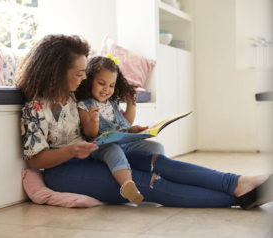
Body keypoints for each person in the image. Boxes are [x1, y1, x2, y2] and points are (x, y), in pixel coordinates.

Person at [16, 34, 273, 209]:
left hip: (96, 154)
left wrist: (128, 132)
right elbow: (36, 159)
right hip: (65, 172)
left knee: (160, 163)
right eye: (79, 73)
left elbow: (102, 117)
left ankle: (238, 183)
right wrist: (72, 150)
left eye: (85, 73)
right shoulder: (35, 109)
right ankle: (237, 198)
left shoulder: (76, 98)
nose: (84, 78)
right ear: (57, 72)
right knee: (148, 184)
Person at [75, 55, 164, 205]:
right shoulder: (85, 105)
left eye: (111, 85)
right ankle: (128, 185)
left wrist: (134, 124)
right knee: (114, 151)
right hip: (102, 146)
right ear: (90, 81)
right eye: (101, 83)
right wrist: (94, 120)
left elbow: (126, 124)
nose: (106, 89)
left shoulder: (112, 104)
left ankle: (158, 176)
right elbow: (90, 134)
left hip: (125, 142)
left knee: (157, 147)